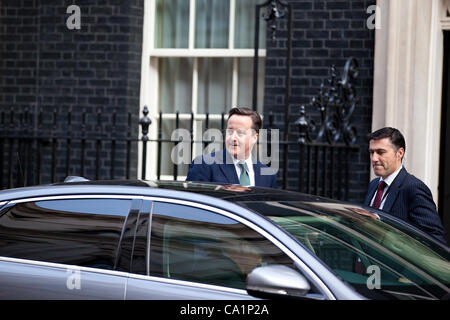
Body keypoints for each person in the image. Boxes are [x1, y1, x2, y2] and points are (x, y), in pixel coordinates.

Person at [363, 127, 447, 245]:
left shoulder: (414, 188)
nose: (374, 158)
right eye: (371, 152)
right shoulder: (373, 185)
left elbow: (435, 240)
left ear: (400, 153)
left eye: (380, 152)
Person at [186, 107, 277, 188]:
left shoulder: (268, 175)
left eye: (240, 132)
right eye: (230, 131)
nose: (232, 138)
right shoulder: (204, 165)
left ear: (254, 137)